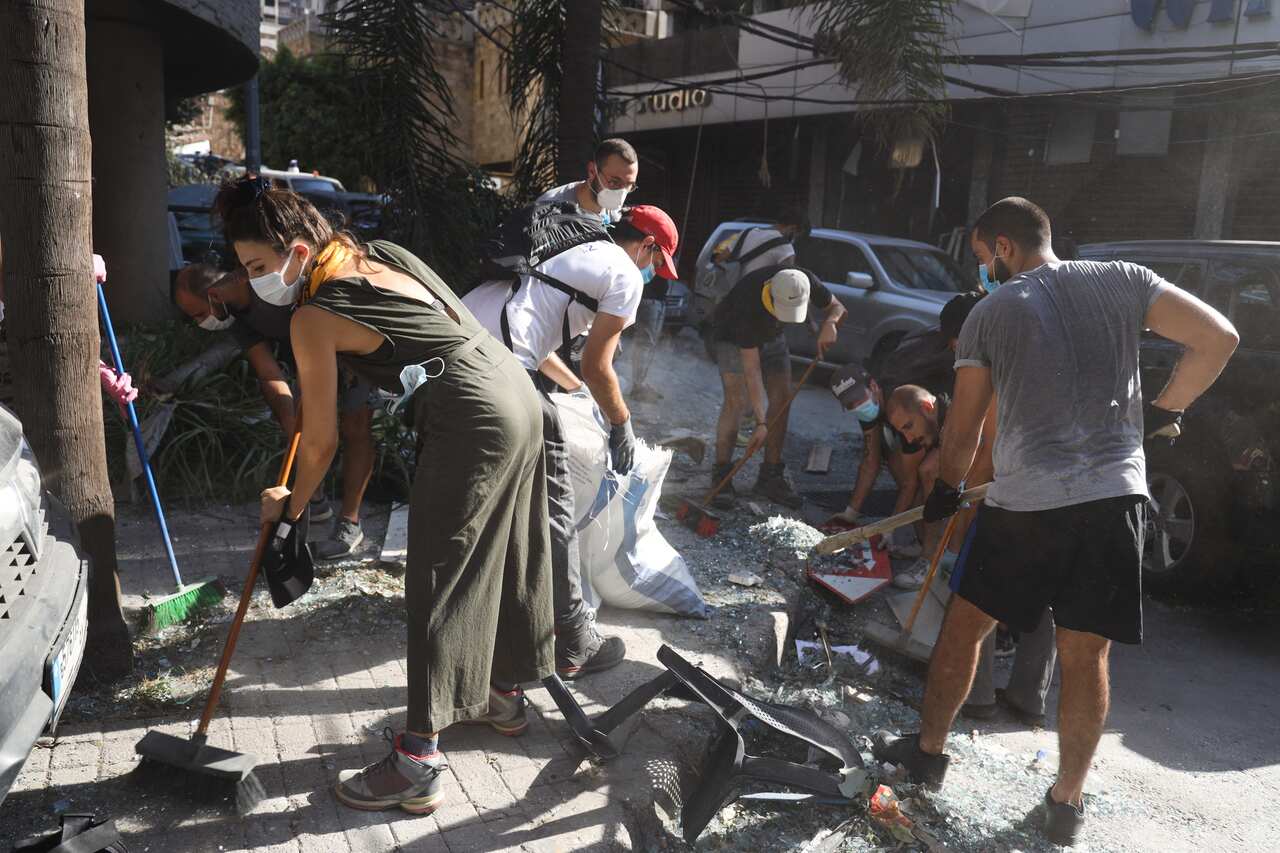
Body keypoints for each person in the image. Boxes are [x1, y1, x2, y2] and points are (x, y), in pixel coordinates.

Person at [872, 197, 1238, 846]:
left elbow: (964, 430)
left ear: (1005, 247)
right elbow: (1219, 338)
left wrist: (945, 491)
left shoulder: (992, 312)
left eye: (984, 257)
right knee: (1085, 654)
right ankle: (1066, 802)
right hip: (1114, 500)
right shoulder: (1125, 279)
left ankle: (928, 755)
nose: (983, 270)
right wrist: (1160, 411)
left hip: (1026, 503)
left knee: (965, 627)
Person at [216, 176, 556, 815]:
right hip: (515, 390)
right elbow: (446, 329)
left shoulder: (314, 317)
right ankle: (501, 695)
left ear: (296, 248)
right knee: (503, 550)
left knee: (439, 570)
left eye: (259, 266)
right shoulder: (384, 256)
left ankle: (417, 760)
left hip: (472, 415)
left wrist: (288, 514)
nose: (256, 281)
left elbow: (318, 443)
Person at [463, 204, 681, 680]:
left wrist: (577, 392)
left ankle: (484, 629)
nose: (652, 273)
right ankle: (574, 638)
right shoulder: (625, 274)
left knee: (485, 507)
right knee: (554, 505)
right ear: (645, 245)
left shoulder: (567, 249)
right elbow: (597, 366)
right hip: (502, 374)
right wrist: (620, 421)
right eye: (656, 262)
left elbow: (529, 332)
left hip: (457, 354)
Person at [172, 264, 377, 558]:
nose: (198, 322)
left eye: (197, 314)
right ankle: (314, 502)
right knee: (299, 421)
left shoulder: (273, 287)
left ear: (214, 296)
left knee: (355, 428)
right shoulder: (237, 319)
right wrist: (290, 418)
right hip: (309, 358)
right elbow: (268, 373)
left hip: (352, 348)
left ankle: (350, 522)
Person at [710, 264, 845, 508]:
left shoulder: (804, 280)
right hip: (731, 337)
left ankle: (770, 476)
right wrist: (761, 423)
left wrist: (830, 323)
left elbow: (837, 307)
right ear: (772, 295)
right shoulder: (748, 304)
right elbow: (752, 372)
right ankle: (721, 473)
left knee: (783, 397)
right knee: (737, 401)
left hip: (773, 336)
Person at [538, 137, 639, 225]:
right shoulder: (548, 210)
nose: (621, 194)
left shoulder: (615, 214)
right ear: (592, 171)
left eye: (629, 186)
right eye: (614, 182)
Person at [627, 272, 667, 402]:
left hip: (655, 298)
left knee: (647, 344)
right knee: (645, 343)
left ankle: (640, 383)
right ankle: (638, 385)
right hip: (650, 299)